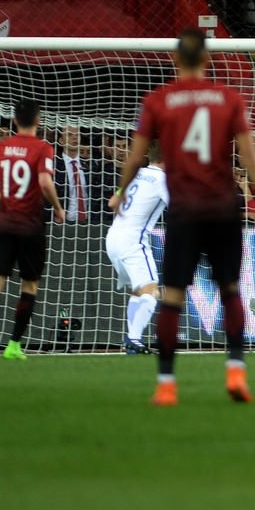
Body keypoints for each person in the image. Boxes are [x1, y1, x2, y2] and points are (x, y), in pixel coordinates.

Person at [109, 29, 255, 407]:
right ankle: (236, 373)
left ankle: (166, 384)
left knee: (172, 296)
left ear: (174, 59)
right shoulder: (227, 98)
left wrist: (120, 191)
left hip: (184, 209)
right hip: (221, 207)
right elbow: (249, 154)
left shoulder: (158, 101)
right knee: (230, 289)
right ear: (207, 60)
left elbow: (135, 157)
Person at [0, 99, 66, 361]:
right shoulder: (43, 148)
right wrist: (58, 207)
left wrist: (1, 197)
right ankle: (13, 345)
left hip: (4, 222)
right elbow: (45, 182)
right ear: (38, 120)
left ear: (14, 121)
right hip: (31, 225)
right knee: (30, 284)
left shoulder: (0, 147)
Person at [104, 140, 169, 354]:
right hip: (133, 240)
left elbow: (112, 203)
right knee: (152, 292)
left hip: (113, 237)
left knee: (138, 291)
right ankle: (133, 339)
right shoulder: (163, 180)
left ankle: (132, 342)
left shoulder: (136, 174)